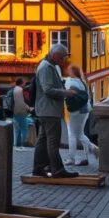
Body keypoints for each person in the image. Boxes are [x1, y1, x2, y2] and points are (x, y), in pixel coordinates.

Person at [32, 44, 78, 179]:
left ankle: (39, 168)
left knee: (43, 140)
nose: (64, 60)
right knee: (53, 142)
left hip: (45, 110)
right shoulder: (46, 67)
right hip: (49, 110)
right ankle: (57, 170)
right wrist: (67, 93)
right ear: (56, 55)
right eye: (63, 57)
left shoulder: (47, 65)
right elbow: (48, 90)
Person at [63, 64, 98, 166]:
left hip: (75, 111)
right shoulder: (82, 82)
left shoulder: (71, 82)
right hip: (85, 110)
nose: (67, 72)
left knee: (72, 134)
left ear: (73, 72)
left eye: (69, 70)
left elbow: (65, 92)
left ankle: (71, 158)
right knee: (80, 134)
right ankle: (92, 152)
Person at [9, 77, 32, 150]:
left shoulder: (14, 89)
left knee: (17, 130)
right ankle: (21, 145)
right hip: (20, 111)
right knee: (24, 130)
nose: (25, 84)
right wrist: (28, 108)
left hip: (15, 112)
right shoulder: (19, 90)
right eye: (24, 82)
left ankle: (17, 146)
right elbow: (20, 102)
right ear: (21, 83)